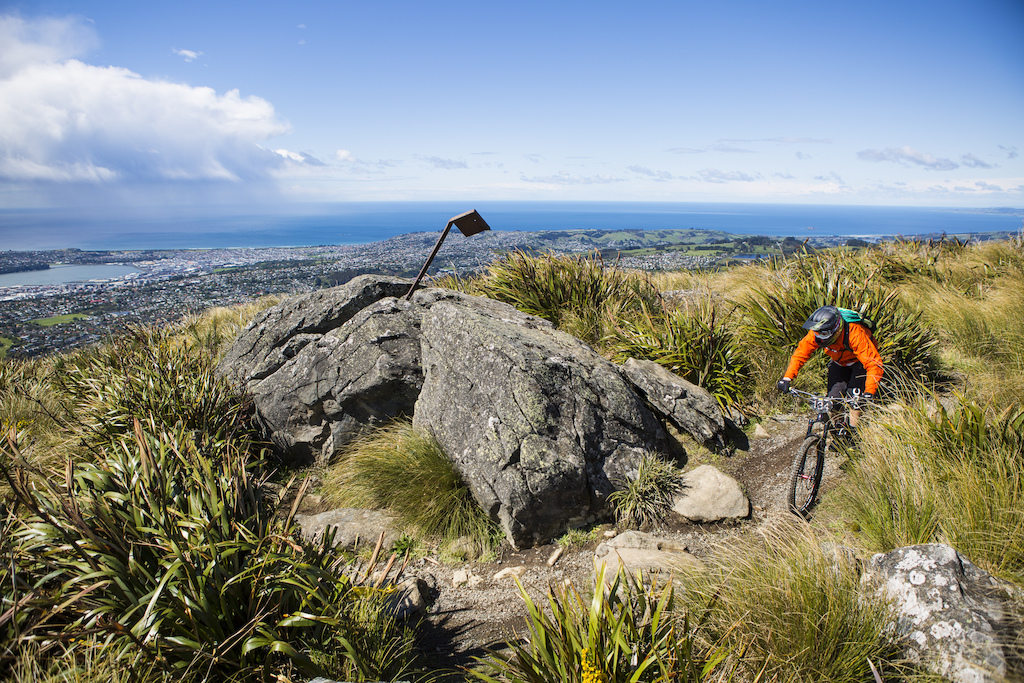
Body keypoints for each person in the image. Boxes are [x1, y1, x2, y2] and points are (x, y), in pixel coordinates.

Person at [776, 305, 882, 430]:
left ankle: (854, 437)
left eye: (824, 333)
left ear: (836, 329)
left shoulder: (854, 332)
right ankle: (838, 432)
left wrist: (869, 392)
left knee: (855, 401)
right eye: (818, 333)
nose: (820, 336)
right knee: (832, 401)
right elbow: (800, 354)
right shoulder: (817, 331)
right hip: (838, 363)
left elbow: (874, 364)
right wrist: (787, 378)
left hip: (859, 364)